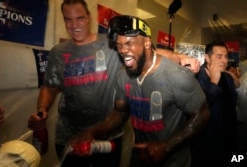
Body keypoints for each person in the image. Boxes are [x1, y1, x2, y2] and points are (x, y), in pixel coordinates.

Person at [27, 1, 201, 167]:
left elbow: (147, 51)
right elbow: (49, 87)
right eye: (68, 19)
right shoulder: (59, 52)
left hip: (110, 138)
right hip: (72, 135)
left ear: (88, 17)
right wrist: (43, 112)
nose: (74, 24)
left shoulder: (107, 44)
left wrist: (179, 57)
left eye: (79, 18)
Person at [73, 15, 210, 167]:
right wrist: (93, 132)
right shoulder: (123, 75)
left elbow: (202, 115)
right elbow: (119, 112)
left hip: (173, 162)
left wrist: (166, 147)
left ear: (146, 43)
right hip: (140, 159)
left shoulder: (177, 76)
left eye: (129, 43)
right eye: (119, 45)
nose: (123, 50)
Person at [191, 41, 239, 167]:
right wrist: (213, 83)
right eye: (219, 56)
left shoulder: (227, 77)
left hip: (229, 137)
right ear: (207, 57)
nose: (224, 60)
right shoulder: (196, 78)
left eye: (226, 56)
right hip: (208, 142)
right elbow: (198, 109)